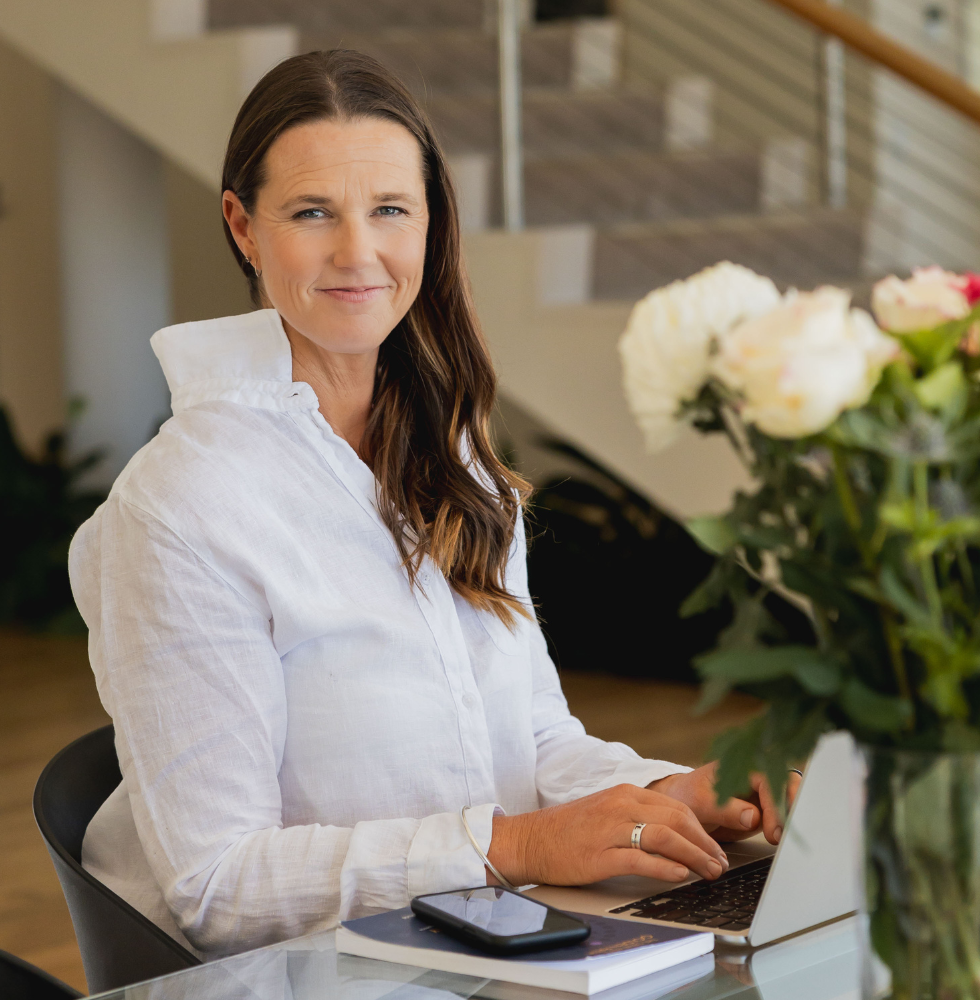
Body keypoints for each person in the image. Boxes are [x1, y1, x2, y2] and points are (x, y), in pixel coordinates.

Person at [69, 49, 796, 960]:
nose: (357, 253)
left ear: (429, 225)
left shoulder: (456, 462)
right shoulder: (180, 507)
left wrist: (676, 792)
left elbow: (532, 743)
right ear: (242, 227)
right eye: (311, 213)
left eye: (389, 211)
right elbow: (215, 887)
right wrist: (514, 845)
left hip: (484, 946)